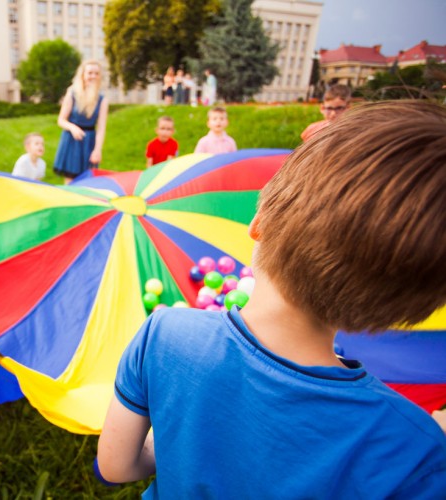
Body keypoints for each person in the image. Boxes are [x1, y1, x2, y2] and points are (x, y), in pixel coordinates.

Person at [96, 100, 446, 497]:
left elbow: (116, 465)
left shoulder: (164, 334)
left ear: (258, 224)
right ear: (401, 314)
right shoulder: (414, 450)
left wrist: (178, 441)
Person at [53, 59, 110, 182]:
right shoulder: (72, 93)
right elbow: (61, 120)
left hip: (89, 142)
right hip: (72, 141)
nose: (93, 76)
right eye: (90, 73)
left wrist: (97, 150)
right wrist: (72, 128)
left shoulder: (102, 100)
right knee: (70, 181)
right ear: (83, 75)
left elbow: (101, 128)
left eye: (96, 73)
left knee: (87, 180)